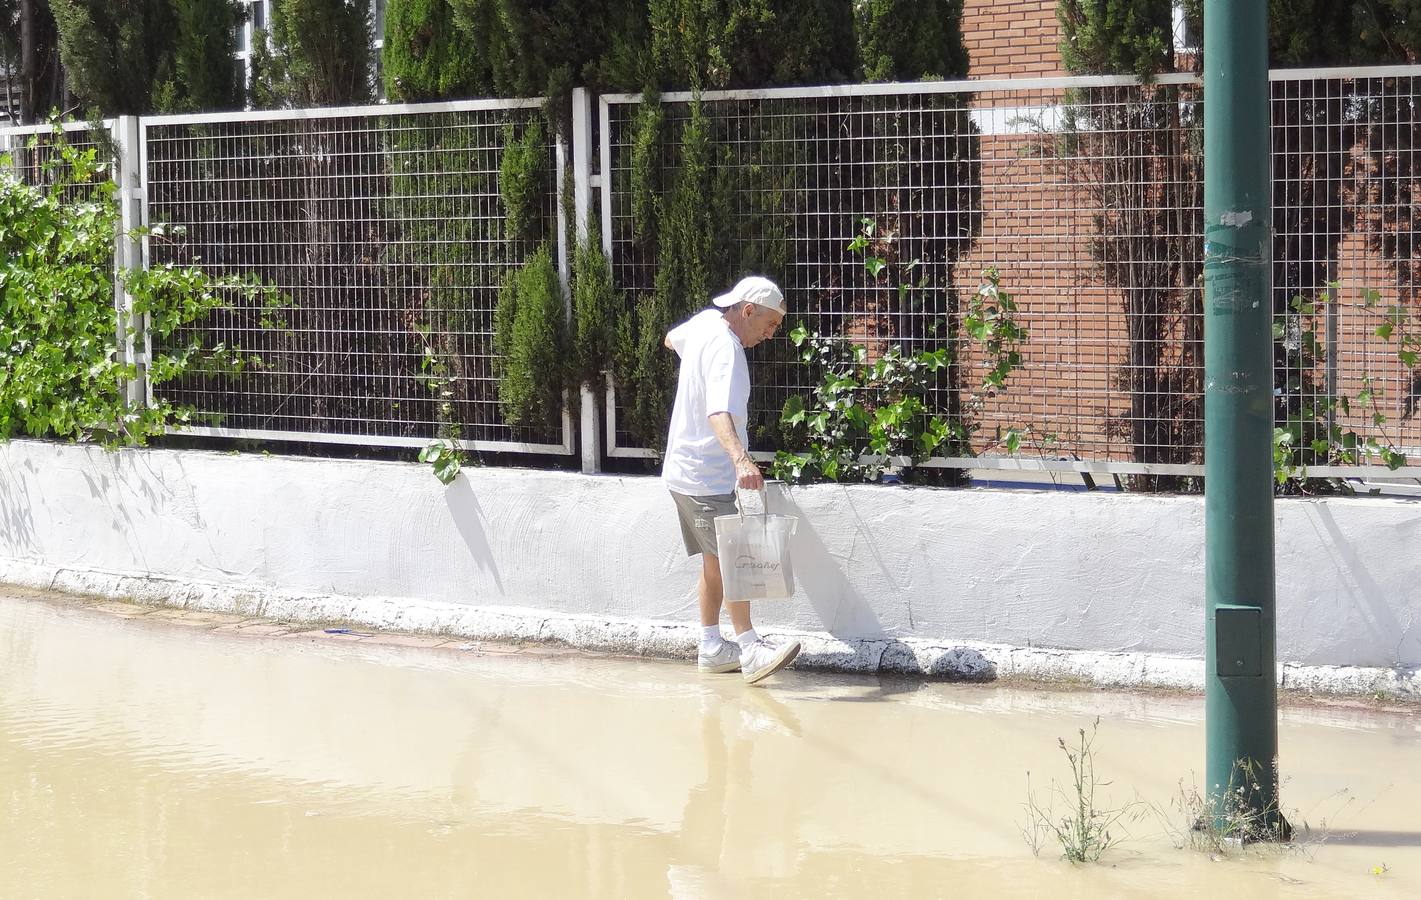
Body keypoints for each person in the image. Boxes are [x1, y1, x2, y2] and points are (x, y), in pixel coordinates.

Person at [662, 275, 801, 686]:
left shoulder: (706, 323)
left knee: (715, 562)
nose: (771, 335)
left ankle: (711, 647)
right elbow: (718, 413)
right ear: (748, 310)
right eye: (770, 324)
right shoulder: (727, 349)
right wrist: (742, 460)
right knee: (733, 560)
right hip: (706, 475)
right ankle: (750, 649)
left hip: (683, 472)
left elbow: (670, 339)